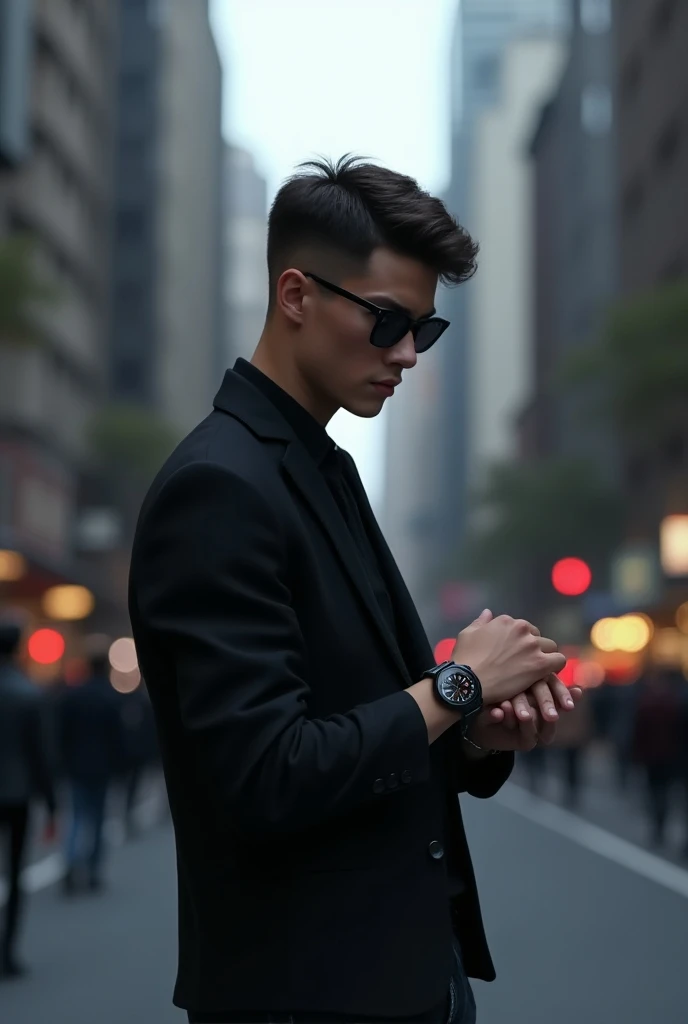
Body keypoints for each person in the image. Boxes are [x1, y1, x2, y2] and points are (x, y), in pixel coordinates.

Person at [129, 156, 580, 1024]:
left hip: (403, 973)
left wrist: (477, 732)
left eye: (425, 331)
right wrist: (458, 683)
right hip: (304, 992)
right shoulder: (219, 486)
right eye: (386, 322)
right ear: (295, 295)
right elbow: (265, 775)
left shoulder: (321, 466)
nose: (407, 353)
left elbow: (375, 725)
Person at [0, 616, 57, 980]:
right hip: (17, 793)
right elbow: (41, 755)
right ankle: (7, 951)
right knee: (15, 873)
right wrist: (51, 804)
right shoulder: (28, 692)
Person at [58, 637, 125, 893]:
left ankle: (72, 863)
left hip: (76, 765)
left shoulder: (73, 696)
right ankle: (94, 870)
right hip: (103, 766)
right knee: (97, 820)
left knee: (76, 817)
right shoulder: (110, 698)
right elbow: (118, 737)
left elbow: (61, 733)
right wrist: (121, 766)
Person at [631, 668, 682, 848]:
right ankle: (661, 823)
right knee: (668, 793)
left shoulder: (648, 702)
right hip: (673, 755)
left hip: (654, 755)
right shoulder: (676, 702)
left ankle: (658, 826)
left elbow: (639, 731)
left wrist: (637, 753)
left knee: (656, 791)